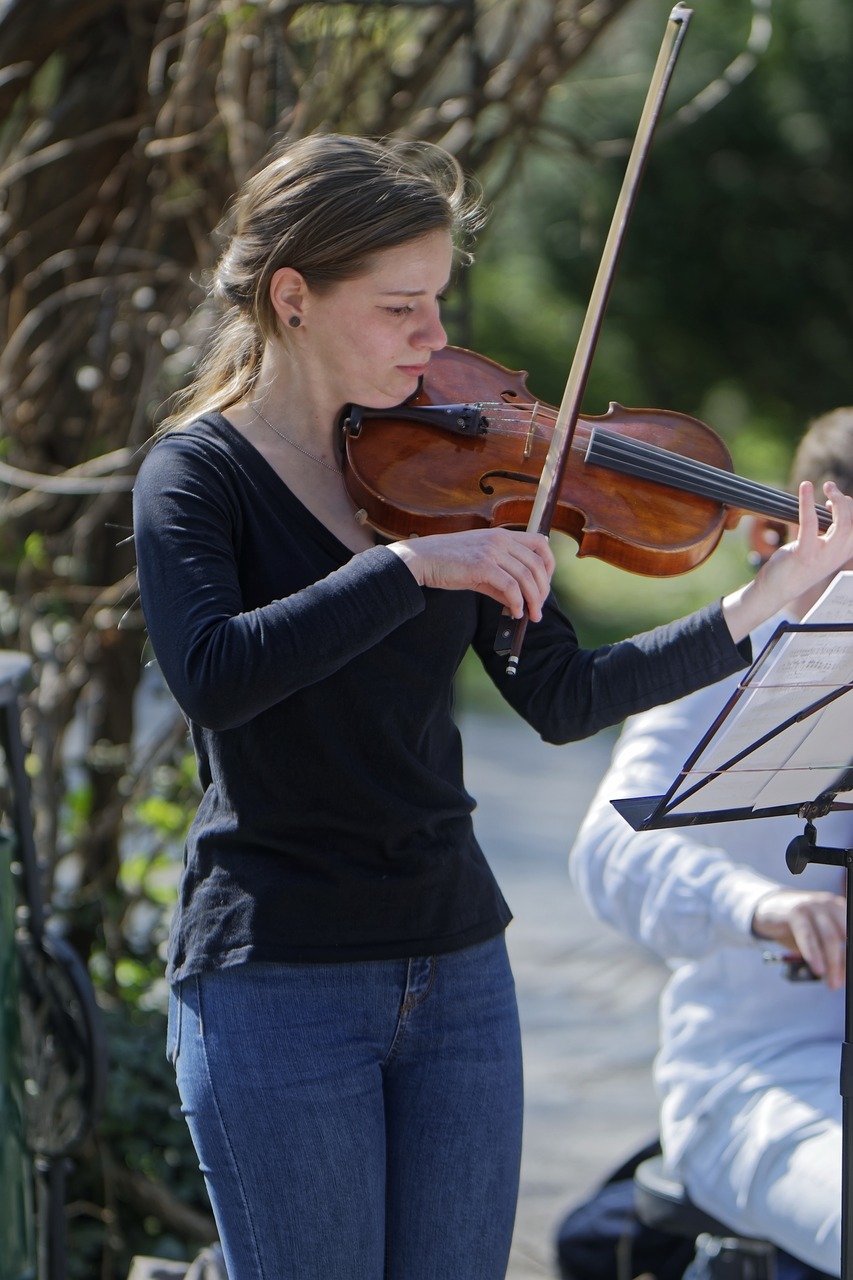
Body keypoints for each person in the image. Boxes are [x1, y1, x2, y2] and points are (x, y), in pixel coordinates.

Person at [131, 132, 853, 1280]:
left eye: (439, 304)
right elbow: (217, 674)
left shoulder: (459, 466)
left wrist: (760, 603)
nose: (435, 339)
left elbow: (566, 698)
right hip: (278, 974)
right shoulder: (197, 476)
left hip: (458, 968)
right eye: (403, 307)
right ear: (293, 298)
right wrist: (412, 567)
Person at [569, 407, 853, 1280]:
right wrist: (758, 907)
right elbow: (609, 854)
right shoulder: (714, 675)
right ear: (774, 535)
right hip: (755, 1080)